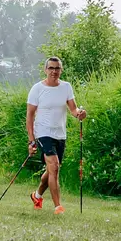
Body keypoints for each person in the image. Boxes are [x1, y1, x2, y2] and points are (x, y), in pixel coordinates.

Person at [25, 56, 88, 214]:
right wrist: (31, 141)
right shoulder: (37, 89)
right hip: (43, 132)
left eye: (57, 68)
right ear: (45, 70)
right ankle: (57, 206)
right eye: (51, 68)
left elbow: (73, 109)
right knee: (53, 167)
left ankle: (37, 195)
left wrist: (80, 113)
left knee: (53, 169)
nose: (54, 71)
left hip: (60, 134)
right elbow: (30, 116)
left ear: (61, 70)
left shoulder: (66, 87)